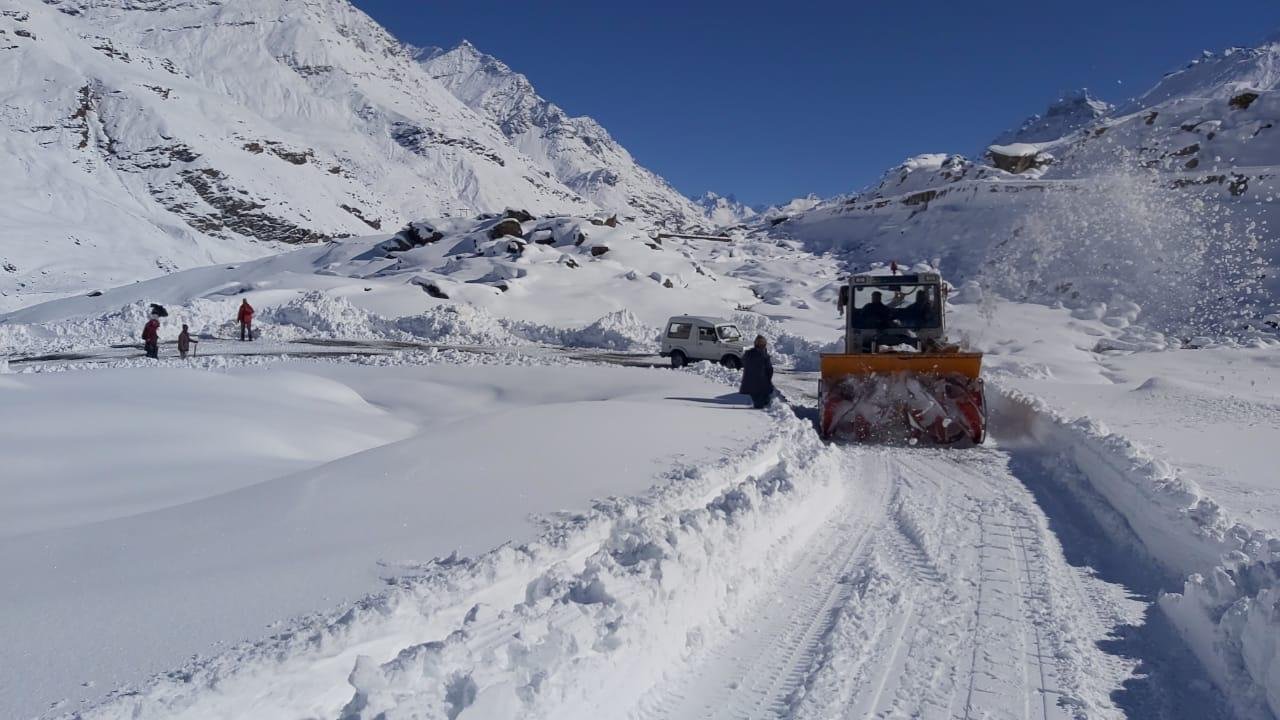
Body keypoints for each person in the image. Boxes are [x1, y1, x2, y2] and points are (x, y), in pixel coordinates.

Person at [740, 335, 775, 409]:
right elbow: (770, 370)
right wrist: (768, 380)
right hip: (762, 383)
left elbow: (743, 361)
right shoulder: (764, 356)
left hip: (750, 383)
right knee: (762, 404)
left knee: (757, 401)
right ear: (764, 344)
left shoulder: (748, 354)